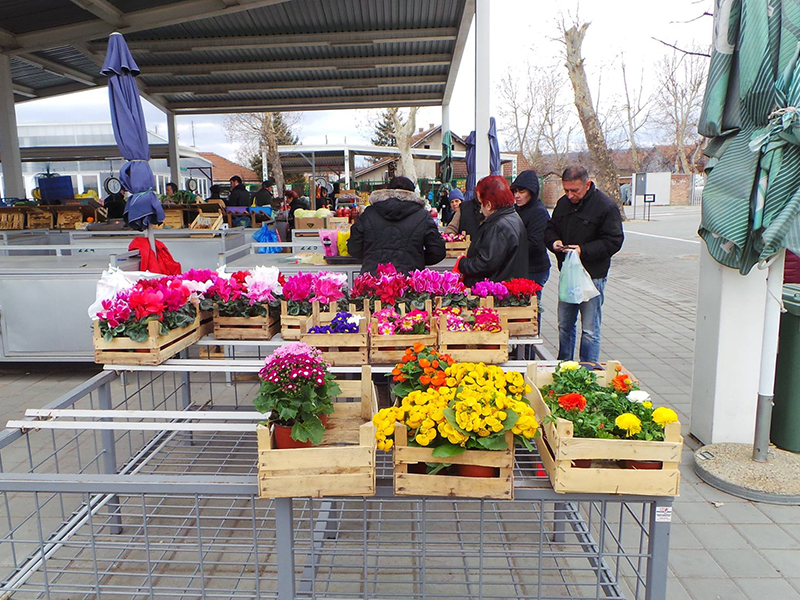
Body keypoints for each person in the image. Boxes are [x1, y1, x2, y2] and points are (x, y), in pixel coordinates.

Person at [544, 165, 624, 364]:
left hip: (592, 276)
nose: (570, 195)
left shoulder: (605, 207)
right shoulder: (563, 204)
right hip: (568, 274)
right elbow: (550, 229)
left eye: (575, 190)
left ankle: (588, 368)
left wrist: (583, 250)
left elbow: (614, 241)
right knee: (565, 325)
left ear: (587, 185)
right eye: (566, 190)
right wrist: (554, 242)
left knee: (589, 329)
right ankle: (564, 365)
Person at [348, 175, 445, 275]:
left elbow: (354, 248)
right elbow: (437, 251)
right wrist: (416, 259)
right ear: (413, 193)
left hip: (373, 278)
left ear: (388, 191)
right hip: (409, 279)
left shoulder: (369, 213)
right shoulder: (422, 216)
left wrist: (372, 257)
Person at [456, 176, 528, 287]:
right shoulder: (511, 217)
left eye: (481, 203)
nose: (480, 208)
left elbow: (485, 263)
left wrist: (462, 263)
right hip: (506, 285)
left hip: (495, 289)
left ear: (489, 205)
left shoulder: (499, 226)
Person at [511, 170, 550, 297]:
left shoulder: (539, 212)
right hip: (522, 266)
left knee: (531, 304)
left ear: (531, 192)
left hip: (535, 268)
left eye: (521, 192)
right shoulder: (518, 209)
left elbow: (535, 243)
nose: (517, 195)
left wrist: (509, 250)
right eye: (515, 191)